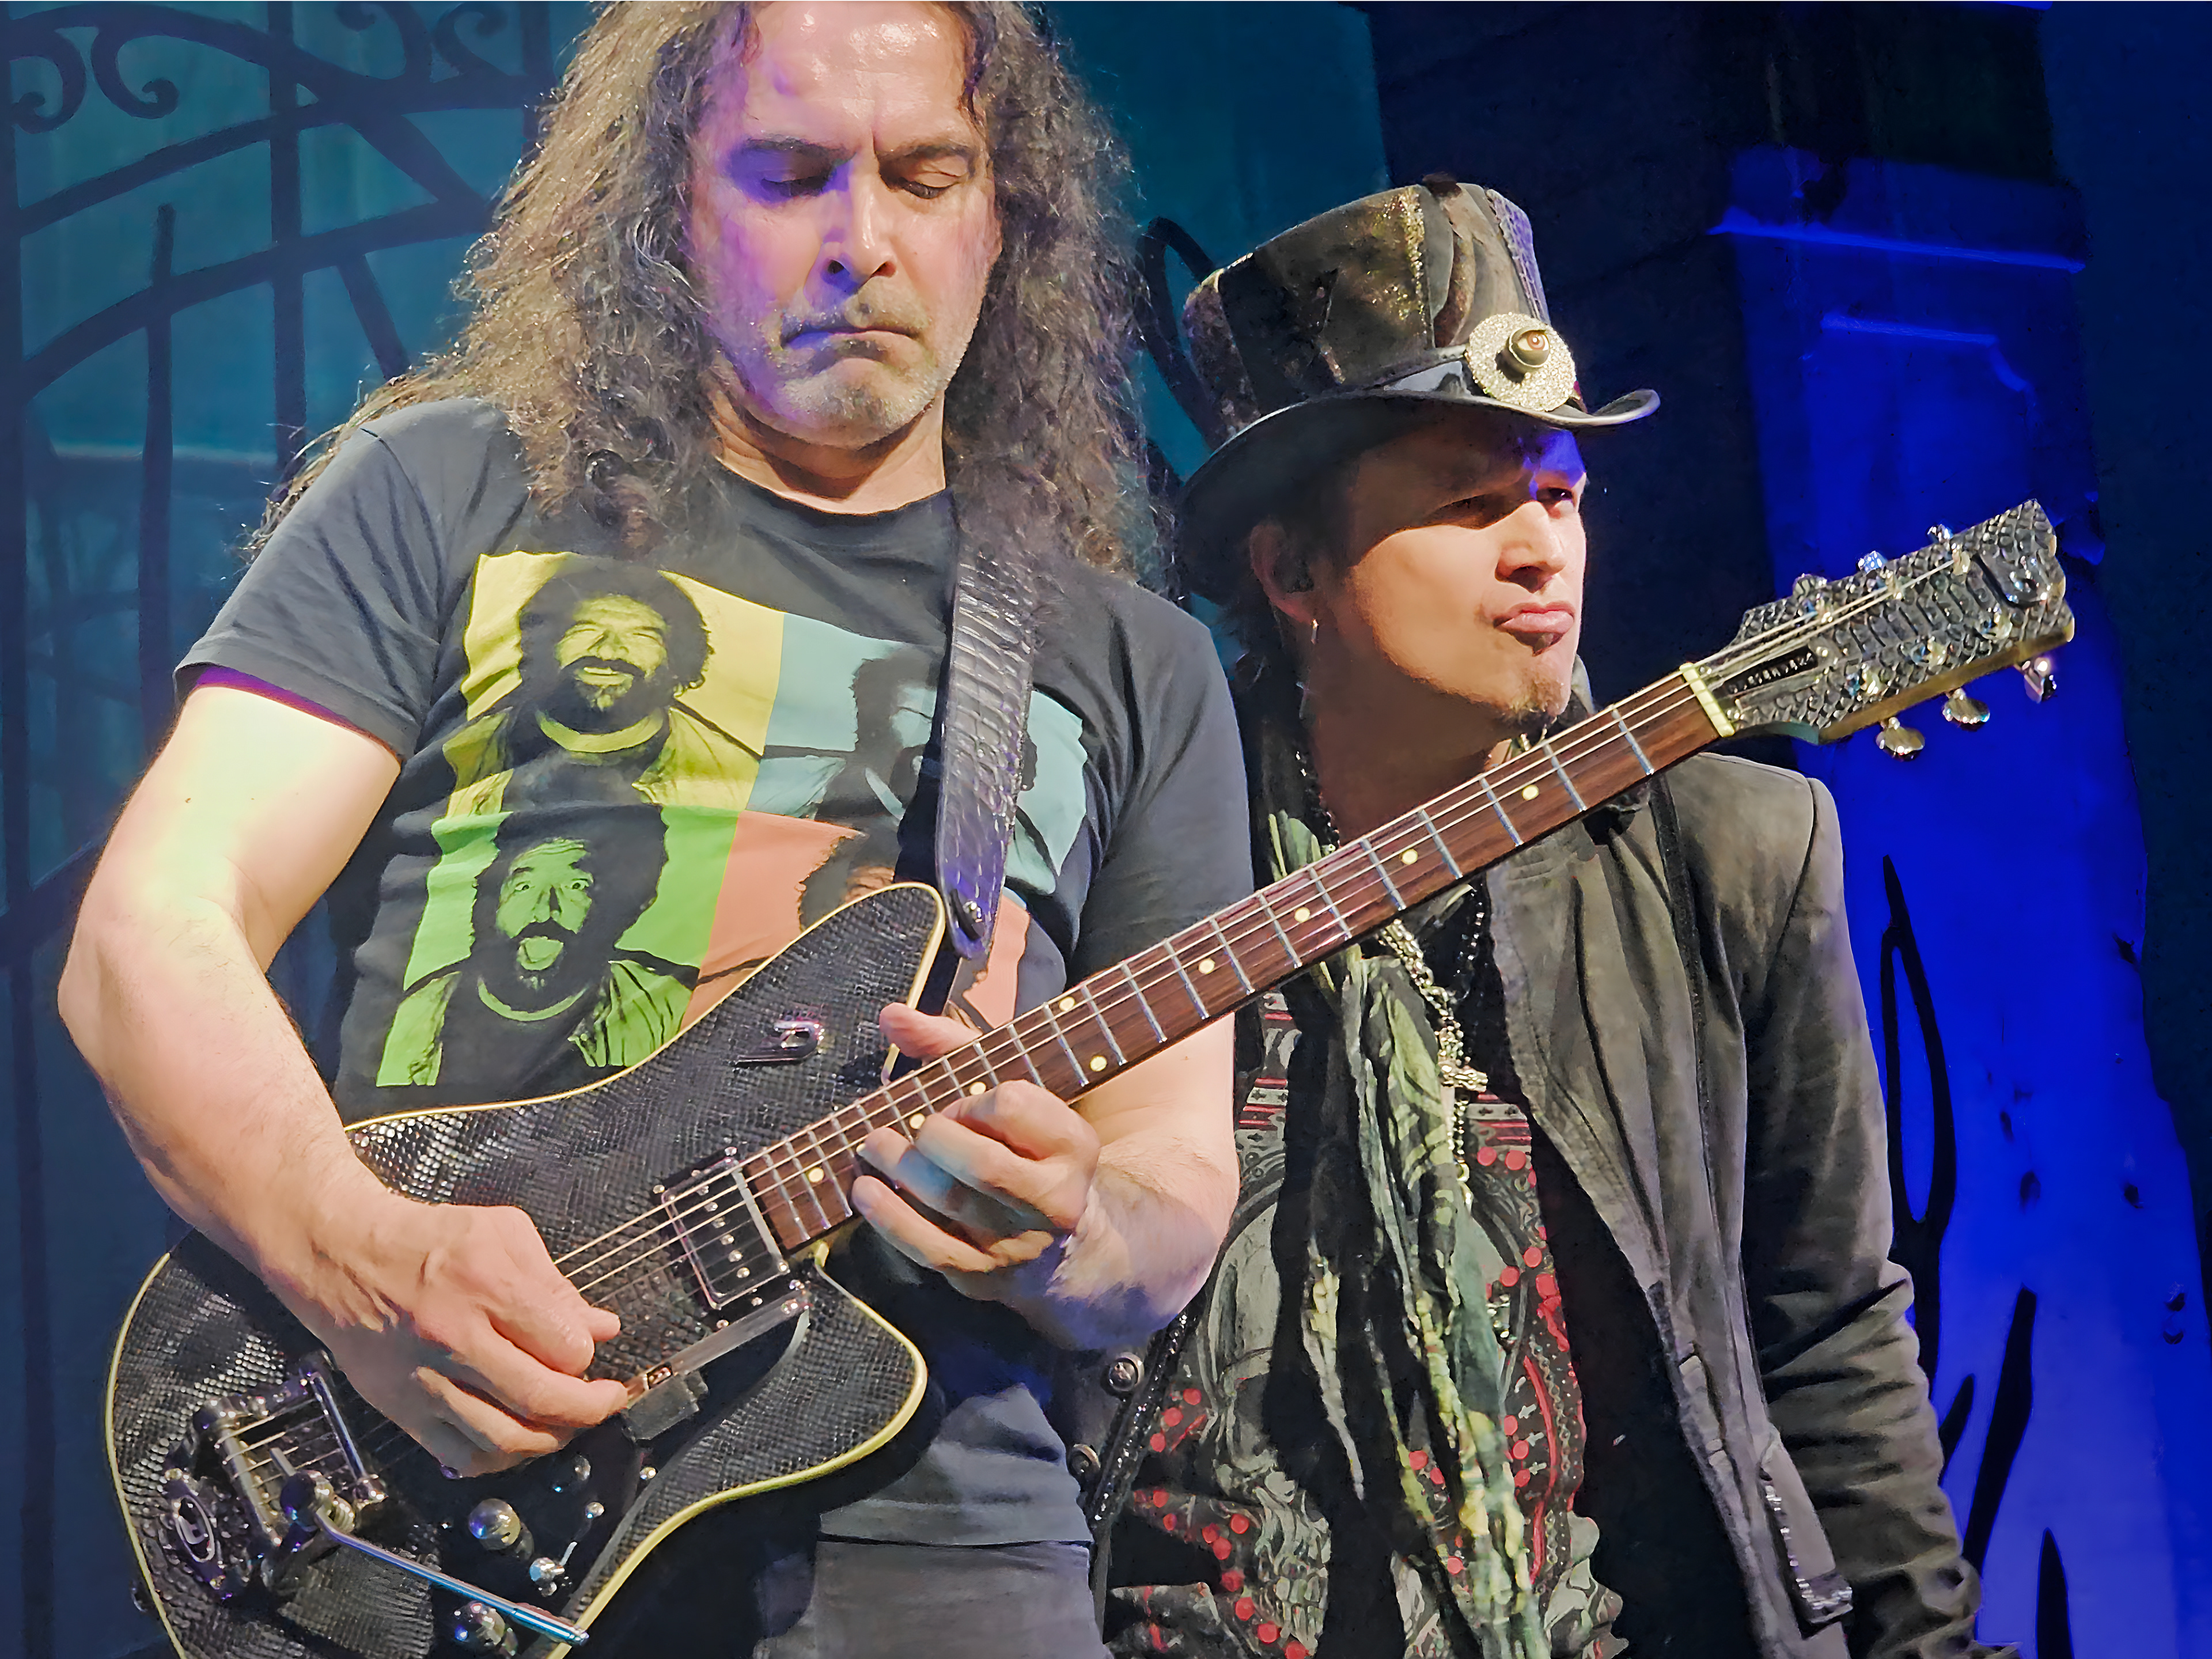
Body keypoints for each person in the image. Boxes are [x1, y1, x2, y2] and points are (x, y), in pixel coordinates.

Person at [59, 5, 1245, 1655]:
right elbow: (150, 932)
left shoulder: (1135, 660)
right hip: (435, 1504)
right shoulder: (449, 490)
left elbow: (1175, 1183)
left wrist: (1078, 1230)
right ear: (667, 201)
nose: (862, 240)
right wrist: (360, 1260)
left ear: (1003, 219)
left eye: (923, 176)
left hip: (940, 1542)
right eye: (789, 175)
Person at [1098, 181, 2002, 1659]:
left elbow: (1830, 1329)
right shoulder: (1150, 856)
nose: (1541, 550)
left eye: (1562, 496)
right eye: (1473, 503)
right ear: (1293, 569)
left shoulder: (1734, 853)